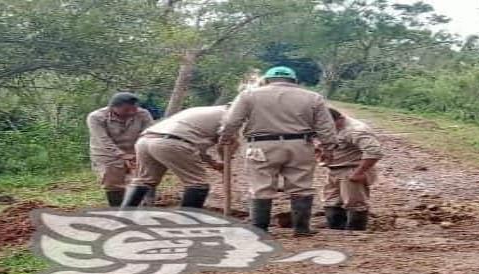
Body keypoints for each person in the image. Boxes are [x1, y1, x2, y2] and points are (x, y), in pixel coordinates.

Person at [219, 66, 337, 237]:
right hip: (300, 145)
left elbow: (231, 121)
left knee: (261, 187)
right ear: (294, 81)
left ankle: (260, 229)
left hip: (261, 146)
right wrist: (328, 147)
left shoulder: (249, 95)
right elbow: (326, 126)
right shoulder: (313, 97)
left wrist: (225, 137)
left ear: (266, 80)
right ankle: (301, 229)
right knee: (301, 187)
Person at [122, 105, 229, 209]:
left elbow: (192, 144)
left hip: (145, 140)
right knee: (197, 183)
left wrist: (212, 162)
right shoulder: (231, 115)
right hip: (171, 143)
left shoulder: (205, 111)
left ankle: (122, 218)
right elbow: (225, 142)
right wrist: (225, 161)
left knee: (143, 181)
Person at [87, 92, 154, 207]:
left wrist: (139, 153)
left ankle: (145, 207)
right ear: (113, 107)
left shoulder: (143, 114)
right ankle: (117, 211)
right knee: (113, 183)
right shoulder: (96, 117)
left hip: (135, 150)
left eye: (134, 109)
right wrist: (121, 155)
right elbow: (103, 139)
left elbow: (148, 134)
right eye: (127, 110)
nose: (132, 112)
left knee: (143, 179)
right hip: (106, 153)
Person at [321, 108, 383, 230]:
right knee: (331, 201)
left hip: (352, 168)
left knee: (355, 204)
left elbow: (374, 152)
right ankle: (336, 231)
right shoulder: (330, 127)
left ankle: (355, 233)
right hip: (334, 169)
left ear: (340, 119)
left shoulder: (356, 131)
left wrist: (359, 172)